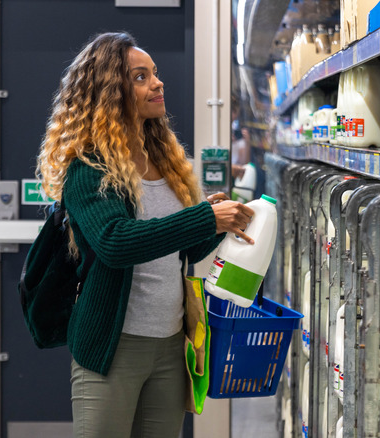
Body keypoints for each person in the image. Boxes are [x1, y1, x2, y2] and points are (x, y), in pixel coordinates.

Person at [36, 32, 254, 438]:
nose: (157, 83)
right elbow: (116, 243)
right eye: (140, 77)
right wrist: (204, 220)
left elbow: (178, 248)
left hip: (172, 345)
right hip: (113, 348)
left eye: (154, 73)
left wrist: (217, 221)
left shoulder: (164, 159)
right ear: (110, 92)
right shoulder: (89, 168)